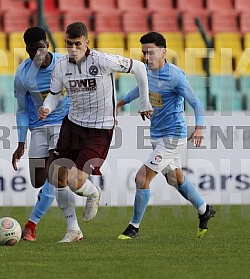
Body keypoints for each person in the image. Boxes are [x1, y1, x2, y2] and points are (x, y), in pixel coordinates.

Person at [38, 22, 152, 241]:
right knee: (56, 175)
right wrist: (47, 107)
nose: (73, 48)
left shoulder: (102, 61)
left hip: (99, 130)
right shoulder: (61, 66)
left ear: (87, 43)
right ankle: (73, 229)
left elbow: (138, 67)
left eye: (77, 44)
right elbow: (54, 94)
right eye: (69, 44)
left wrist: (144, 102)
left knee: (75, 181)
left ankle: (93, 193)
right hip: (73, 125)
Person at [117, 31, 216, 240]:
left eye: (150, 52)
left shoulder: (175, 76)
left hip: (173, 136)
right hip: (157, 135)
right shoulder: (145, 70)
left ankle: (133, 227)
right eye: (144, 53)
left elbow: (197, 103)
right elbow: (141, 87)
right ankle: (204, 209)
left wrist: (199, 127)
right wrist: (122, 102)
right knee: (176, 179)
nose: (146, 57)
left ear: (163, 52)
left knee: (141, 178)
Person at [12, 26, 81, 243]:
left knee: (54, 174)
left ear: (47, 45)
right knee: (38, 180)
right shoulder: (23, 75)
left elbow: (83, 92)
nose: (38, 55)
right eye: (32, 51)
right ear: (27, 50)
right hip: (39, 128)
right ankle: (75, 226)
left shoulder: (65, 65)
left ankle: (31, 226)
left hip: (65, 125)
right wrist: (21, 142)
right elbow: (22, 110)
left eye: (41, 48)